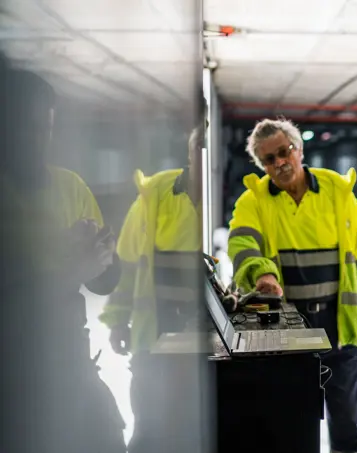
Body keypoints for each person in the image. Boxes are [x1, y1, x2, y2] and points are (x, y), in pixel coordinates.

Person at [227, 118, 357, 453]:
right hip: (288, 333)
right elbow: (243, 243)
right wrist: (262, 274)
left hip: (339, 327)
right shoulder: (254, 200)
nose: (279, 162)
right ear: (261, 165)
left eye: (284, 152)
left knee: (348, 426)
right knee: (292, 423)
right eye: (268, 159)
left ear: (299, 149)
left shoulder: (336, 191)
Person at [0, 65, 125, 452]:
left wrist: (103, 253)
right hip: (15, 378)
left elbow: (105, 282)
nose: (37, 140)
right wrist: (70, 270)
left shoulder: (69, 186)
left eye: (45, 128)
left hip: (71, 362)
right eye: (26, 128)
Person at [99, 126, 205, 453]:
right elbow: (129, 263)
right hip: (153, 341)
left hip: (199, 349)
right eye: (197, 153)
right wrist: (117, 319)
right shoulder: (156, 194)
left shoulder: (222, 198)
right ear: (189, 155)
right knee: (149, 431)